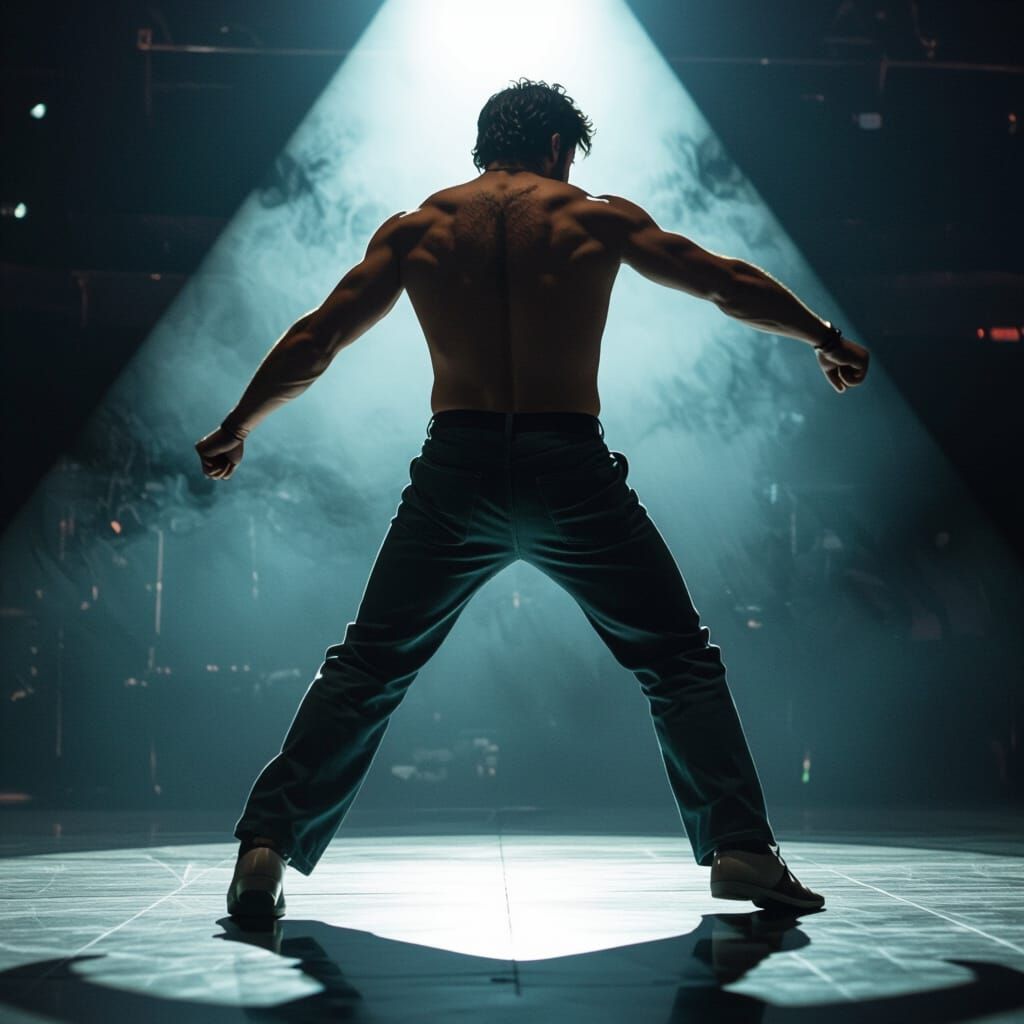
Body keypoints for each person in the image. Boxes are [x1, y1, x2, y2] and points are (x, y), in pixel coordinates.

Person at [196, 78, 869, 923]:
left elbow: (318, 336)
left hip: (459, 467)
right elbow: (720, 281)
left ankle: (266, 850)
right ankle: (740, 849)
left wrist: (237, 424)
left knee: (368, 667)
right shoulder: (593, 217)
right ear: (557, 147)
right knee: (677, 661)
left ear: (484, 146)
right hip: (567, 466)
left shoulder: (419, 229)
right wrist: (826, 337)